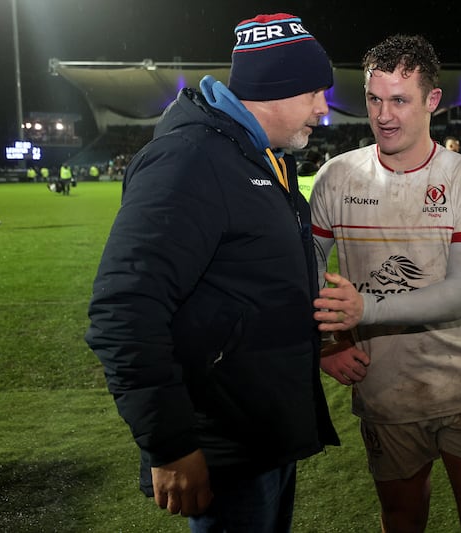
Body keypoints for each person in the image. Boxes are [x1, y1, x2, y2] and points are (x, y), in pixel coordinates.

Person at [84, 13, 340, 532]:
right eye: (314, 91)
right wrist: (172, 446)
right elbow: (125, 311)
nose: (323, 109)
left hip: (262, 433)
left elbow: (251, 286)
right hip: (225, 445)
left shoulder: (258, 156)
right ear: (274, 86)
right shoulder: (191, 160)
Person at [310, 34, 461, 532]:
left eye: (399, 100)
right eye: (374, 99)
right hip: (386, 391)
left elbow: (460, 294)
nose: (383, 115)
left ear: (432, 100)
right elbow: (307, 267)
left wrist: (364, 311)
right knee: (401, 521)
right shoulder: (336, 177)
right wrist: (327, 344)